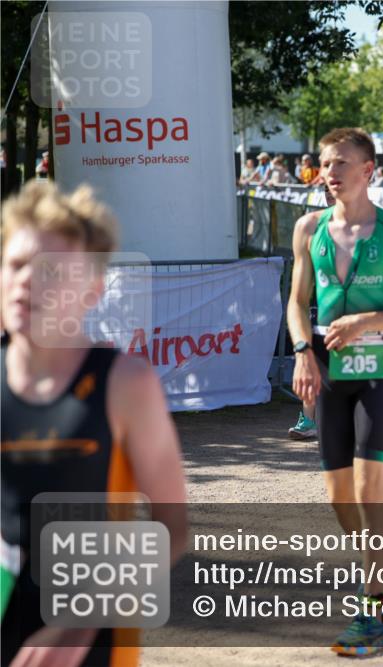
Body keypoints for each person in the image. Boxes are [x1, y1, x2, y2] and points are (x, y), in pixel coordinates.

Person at [1, 181, 187, 667]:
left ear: (91, 291)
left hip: (85, 643)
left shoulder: (125, 383)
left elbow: (173, 528)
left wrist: (78, 622)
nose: (26, 282)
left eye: (49, 272)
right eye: (16, 265)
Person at [287, 128, 383, 656]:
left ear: (369, 170)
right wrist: (303, 351)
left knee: (371, 489)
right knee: (339, 498)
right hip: (326, 370)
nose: (330, 172)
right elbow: (295, 301)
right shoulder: (308, 228)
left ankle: (373, 610)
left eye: (342, 163)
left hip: (375, 367)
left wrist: (367, 319)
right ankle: (379, 556)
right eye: (325, 164)